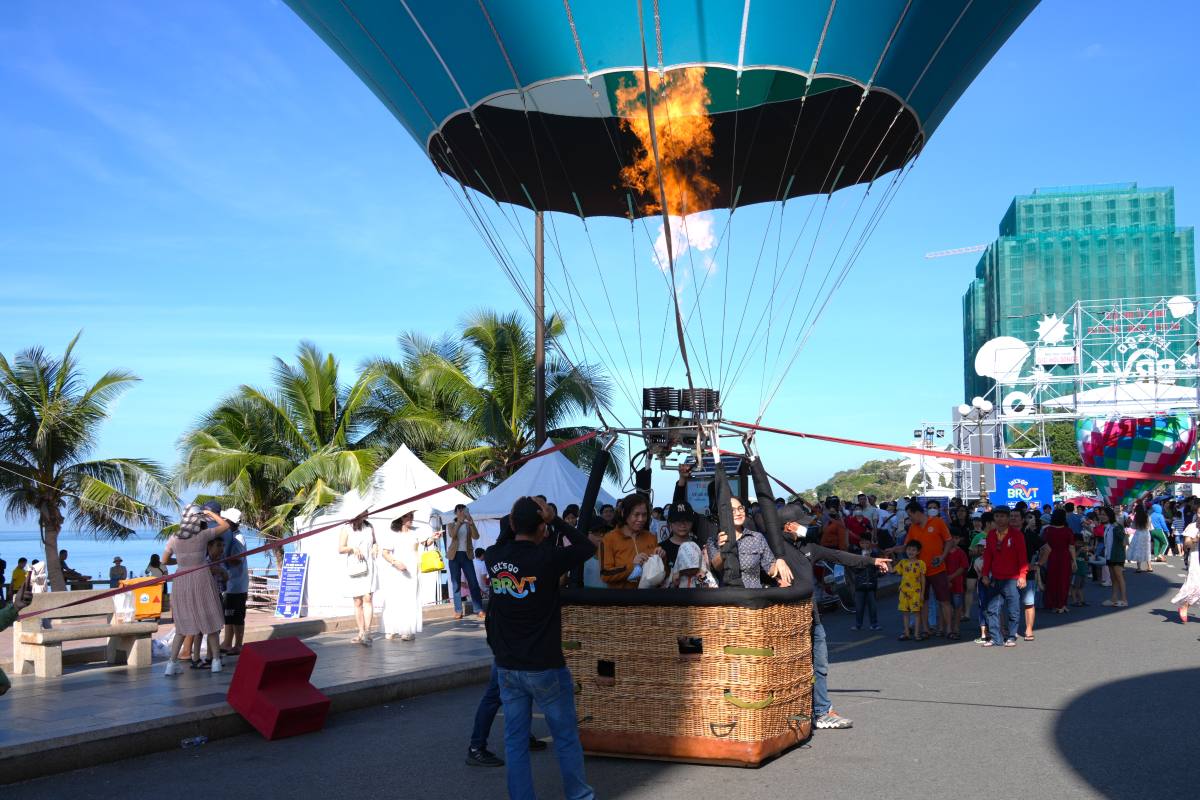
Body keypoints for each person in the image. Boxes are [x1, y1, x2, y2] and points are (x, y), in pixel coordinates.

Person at [484, 496, 595, 800]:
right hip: (545, 665)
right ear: (542, 526)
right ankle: (579, 796)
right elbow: (587, 547)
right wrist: (554, 520)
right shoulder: (548, 557)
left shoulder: (494, 557)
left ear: (510, 524)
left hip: (507, 665)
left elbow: (507, 536)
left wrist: (519, 521)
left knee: (515, 741)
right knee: (566, 739)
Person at [774, 506, 890, 730]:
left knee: (820, 665)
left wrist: (872, 561)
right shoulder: (775, 550)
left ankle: (822, 711)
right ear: (788, 526)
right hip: (788, 619)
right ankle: (793, 711)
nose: (808, 526)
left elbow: (838, 556)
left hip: (813, 616)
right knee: (791, 668)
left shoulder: (808, 546)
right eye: (803, 523)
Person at [163, 506, 230, 675]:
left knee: (182, 624)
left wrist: (181, 562)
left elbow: (164, 560)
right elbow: (225, 526)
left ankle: (171, 664)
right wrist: (211, 513)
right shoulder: (202, 536)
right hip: (201, 576)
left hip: (182, 578)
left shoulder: (174, 538)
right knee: (210, 620)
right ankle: (215, 661)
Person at [889, 501, 954, 640]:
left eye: (910, 515)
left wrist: (943, 557)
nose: (909, 518)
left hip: (937, 568)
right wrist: (893, 549)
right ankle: (925, 629)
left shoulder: (937, 522)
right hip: (919, 573)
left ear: (917, 512)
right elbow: (907, 547)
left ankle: (949, 630)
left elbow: (949, 541)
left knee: (944, 600)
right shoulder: (913, 527)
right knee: (922, 601)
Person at [378, 511, 430, 641]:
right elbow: (385, 553)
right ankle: (392, 629)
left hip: (412, 568)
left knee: (410, 598)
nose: (411, 518)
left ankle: (407, 630)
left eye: (412, 515)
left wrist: (433, 538)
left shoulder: (416, 531)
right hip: (397, 569)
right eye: (408, 516)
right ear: (401, 518)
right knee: (395, 598)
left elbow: (426, 542)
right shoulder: (392, 534)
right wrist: (395, 562)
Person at [706, 496, 779, 588]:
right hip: (727, 597)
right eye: (732, 510)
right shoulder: (713, 541)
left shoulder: (756, 537)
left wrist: (778, 565)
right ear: (721, 515)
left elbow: (770, 567)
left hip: (753, 596)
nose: (738, 513)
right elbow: (717, 567)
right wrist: (723, 549)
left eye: (740, 508)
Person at [981, 505, 1027, 648]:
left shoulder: (1017, 535)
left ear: (1008, 518)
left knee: (1013, 609)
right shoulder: (991, 535)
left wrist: (1022, 575)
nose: (999, 519)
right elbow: (987, 556)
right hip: (995, 577)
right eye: (997, 516)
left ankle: (1011, 636)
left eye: (1002, 516)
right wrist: (984, 574)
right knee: (992, 609)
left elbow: (1022, 557)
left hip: (1012, 578)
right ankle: (996, 638)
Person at [600, 493, 663, 589]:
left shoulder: (651, 537)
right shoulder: (609, 539)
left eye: (644, 515)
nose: (641, 519)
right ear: (623, 513)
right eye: (636, 514)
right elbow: (605, 574)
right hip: (621, 600)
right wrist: (631, 566)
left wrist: (661, 559)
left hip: (648, 598)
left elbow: (659, 575)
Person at [339, 517, 378, 646]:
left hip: (369, 565)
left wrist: (375, 547)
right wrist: (352, 549)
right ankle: (361, 632)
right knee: (357, 601)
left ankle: (367, 631)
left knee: (368, 598)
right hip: (355, 566)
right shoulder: (346, 528)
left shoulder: (369, 527)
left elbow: (375, 542)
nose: (366, 514)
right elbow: (340, 548)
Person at [218, 509, 249, 655]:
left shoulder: (237, 539)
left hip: (236, 585)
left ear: (230, 522)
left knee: (236, 616)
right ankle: (227, 642)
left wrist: (221, 560)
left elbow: (237, 560)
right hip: (231, 585)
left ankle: (238, 644)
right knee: (229, 615)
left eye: (224, 520)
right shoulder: (232, 536)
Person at [447, 504, 485, 620]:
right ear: (457, 512)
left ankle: (478, 609)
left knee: (473, 582)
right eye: (462, 511)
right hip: (454, 556)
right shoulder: (451, 524)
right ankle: (458, 610)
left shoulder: (469, 525)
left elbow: (476, 536)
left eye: (465, 510)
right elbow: (452, 535)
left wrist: (471, 521)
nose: (464, 512)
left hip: (467, 556)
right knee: (456, 584)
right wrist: (459, 521)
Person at [1040, 510, 1074, 614]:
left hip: (1051, 557)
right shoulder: (1068, 531)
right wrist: (1074, 561)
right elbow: (1071, 547)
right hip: (1065, 557)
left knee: (1052, 581)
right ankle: (1062, 604)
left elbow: (1043, 545)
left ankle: (1053, 603)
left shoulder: (1048, 530)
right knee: (1064, 581)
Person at [895, 541, 926, 641]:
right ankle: (907, 633)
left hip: (916, 592)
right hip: (904, 592)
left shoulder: (920, 563)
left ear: (918, 552)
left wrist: (922, 593)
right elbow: (893, 571)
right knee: (905, 613)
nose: (910, 552)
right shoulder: (902, 563)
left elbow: (923, 579)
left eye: (913, 550)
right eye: (909, 549)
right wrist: (887, 561)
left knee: (916, 613)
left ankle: (917, 634)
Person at [849, 533, 881, 631]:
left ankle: (874, 624)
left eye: (867, 543)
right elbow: (853, 568)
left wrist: (877, 572)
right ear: (860, 544)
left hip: (872, 583)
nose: (865, 545)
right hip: (859, 584)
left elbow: (878, 568)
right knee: (859, 607)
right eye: (863, 543)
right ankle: (858, 625)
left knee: (873, 606)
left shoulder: (875, 554)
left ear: (870, 543)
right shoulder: (857, 554)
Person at [1100, 506, 1128, 607]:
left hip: (1116, 555)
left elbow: (1124, 540)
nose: (1101, 516)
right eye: (1101, 514)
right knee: (1113, 578)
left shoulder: (1116, 526)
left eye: (1104, 515)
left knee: (1119, 577)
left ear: (1109, 515)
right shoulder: (1108, 526)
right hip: (1110, 556)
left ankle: (1124, 600)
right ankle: (1114, 598)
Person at [1170, 532, 1200, 623]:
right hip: (1196, 558)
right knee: (1196, 585)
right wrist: (1196, 539)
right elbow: (1186, 544)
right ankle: (1185, 606)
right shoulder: (1193, 527)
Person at [944, 535, 969, 639]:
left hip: (957, 584)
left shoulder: (961, 552)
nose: (954, 540)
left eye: (956, 538)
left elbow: (963, 567)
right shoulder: (943, 552)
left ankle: (956, 628)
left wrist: (951, 577)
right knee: (946, 606)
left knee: (957, 607)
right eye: (952, 538)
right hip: (945, 583)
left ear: (959, 539)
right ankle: (948, 628)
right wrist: (946, 578)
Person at [1127, 508, 1154, 572]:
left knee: (1138, 550)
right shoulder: (1148, 517)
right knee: (1147, 550)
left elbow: (1133, 527)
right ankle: (1150, 567)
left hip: (1138, 534)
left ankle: (1139, 568)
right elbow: (1150, 528)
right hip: (1146, 534)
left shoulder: (1136, 518)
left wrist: (1130, 521)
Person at [1069, 533, 1089, 608]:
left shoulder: (1082, 549)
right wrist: (1079, 551)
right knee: (1074, 587)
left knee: (1080, 587)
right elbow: (1073, 557)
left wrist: (1086, 552)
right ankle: (1075, 601)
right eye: (1078, 543)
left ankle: (1082, 600)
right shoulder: (1072, 549)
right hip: (1075, 571)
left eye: (1081, 543)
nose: (1079, 544)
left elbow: (1087, 559)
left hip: (1082, 570)